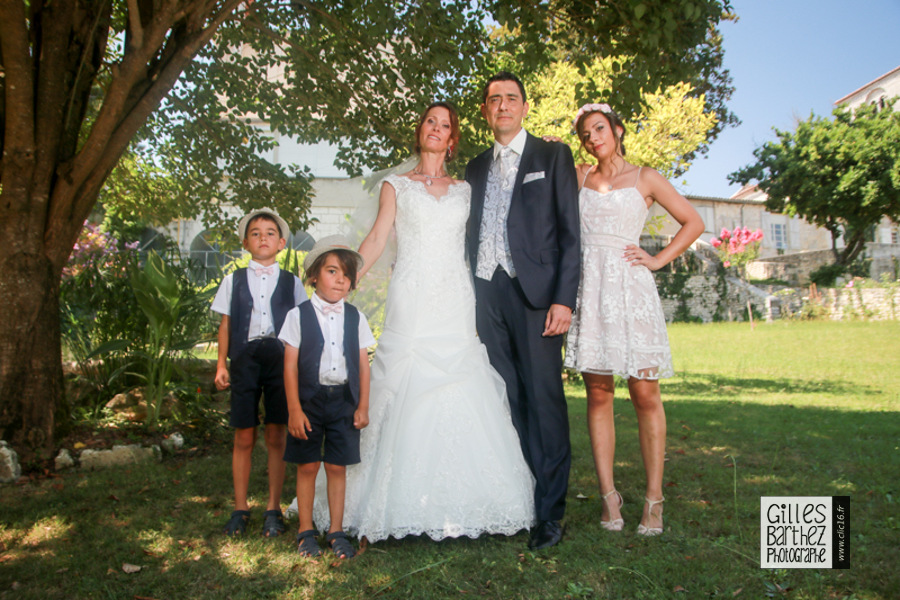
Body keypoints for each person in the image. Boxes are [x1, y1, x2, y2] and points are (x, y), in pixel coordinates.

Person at [338, 101, 534, 543]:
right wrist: (346, 279)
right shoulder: (395, 186)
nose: (436, 129)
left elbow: (503, 223)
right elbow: (376, 238)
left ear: (452, 139)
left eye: (445, 125)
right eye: (431, 121)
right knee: (404, 374)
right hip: (411, 294)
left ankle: (466, 500)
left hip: (455, 297)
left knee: (461, 381)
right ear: (420, 131)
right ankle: (387, 498)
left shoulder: (466, 189)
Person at [564, 103, 703, 536]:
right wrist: (551, 145)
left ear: (617, 130)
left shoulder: (646, 177)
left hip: (632, 290)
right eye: (585, 133)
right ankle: (609, 496)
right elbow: (544, 163)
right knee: (599, 395)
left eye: (599, 128)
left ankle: (654, 498)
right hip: (592, 291)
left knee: (645, 395)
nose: (593, 137)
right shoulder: (580, 175)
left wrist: (659, 259)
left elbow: (693, 222)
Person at [465, 72, 580, 550]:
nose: (503, 106)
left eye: (511, 98)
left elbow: (572, 235)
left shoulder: (552, 156)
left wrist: (563, 299)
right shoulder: (473, 168)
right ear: (487, 111)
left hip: (536, 297)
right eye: (494, 100)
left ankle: (550, 513)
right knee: (503, 398)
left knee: (544, 400)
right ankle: (518, 498)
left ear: (526, 107)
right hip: (484, 294)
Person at [279, 235, 375, 558]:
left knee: (337, 466)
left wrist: (362, 405)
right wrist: (294, 408)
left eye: (346, 274)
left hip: (343, 402)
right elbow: (289, 365)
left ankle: (336, 529)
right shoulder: (298, 316)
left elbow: (363, 364)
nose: (341, 279)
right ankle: (305, 530)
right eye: (333, 271)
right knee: (307, 465)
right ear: (314, 276)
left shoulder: (355, 317)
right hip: (308, 400)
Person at [212, 208, 307, 537]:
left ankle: (272, 507)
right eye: (255, 233)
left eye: (269, 233)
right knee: (244, 434)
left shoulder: (293, 283)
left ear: (281, 242)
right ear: (245, 242)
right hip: (244, 358)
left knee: (276, 434)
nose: (262, 237)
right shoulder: (232, 280)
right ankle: (240, 508)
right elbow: (225, 324)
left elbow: (299, 328)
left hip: (279, 360)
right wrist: (221, 363)